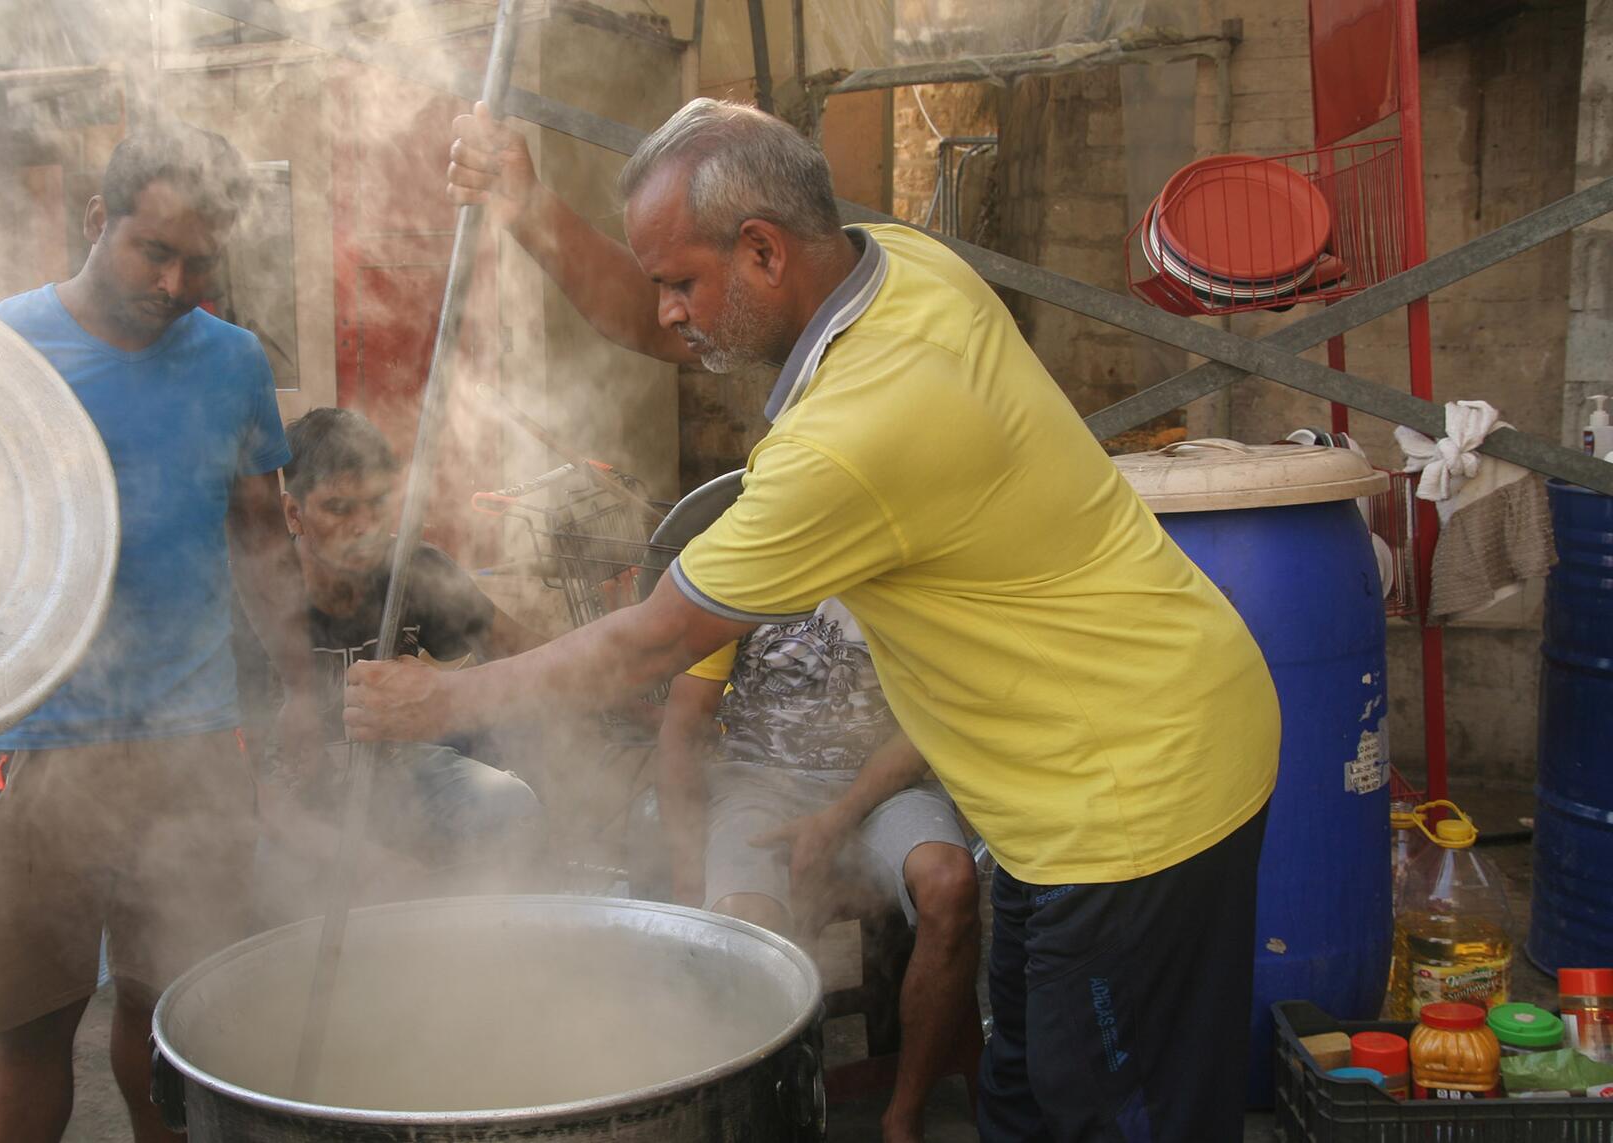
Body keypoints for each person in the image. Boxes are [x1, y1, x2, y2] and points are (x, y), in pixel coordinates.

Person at [345, 98, 1281, 1141]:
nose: (666, 312)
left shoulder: (849, 438)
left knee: (1114, 1120)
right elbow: (673, 329)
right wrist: (528, 211)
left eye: (679, 283)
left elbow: (650, 641)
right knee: (1025, 1099)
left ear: (759, 251)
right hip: (1067, 785)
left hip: (1133, 797)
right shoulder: (892, 264)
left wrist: (447, 697)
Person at [0, 123, 324, 1143]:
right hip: (37, 739)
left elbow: (259, 535)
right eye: (150, 251)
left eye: (198, 263)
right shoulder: (0, 350)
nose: (173, 282)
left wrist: (298, 691)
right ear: (94, 221)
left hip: (194, 734)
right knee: (30, 1026)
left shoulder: (232, 360)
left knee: (173, 1015)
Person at [655, 597, 981, 1141]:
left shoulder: (907, 571)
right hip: (755, 783)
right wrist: (688, 874)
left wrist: (840, 816)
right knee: (741, 922)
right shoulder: (742, 575)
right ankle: (774, 1114)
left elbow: (927, 726)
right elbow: (683, 726)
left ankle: (904, 1113)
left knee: (950, 885)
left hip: (886, 786)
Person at [271, 405, 547, 874]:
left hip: (397, 767)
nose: (365, 526)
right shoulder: (255, 597)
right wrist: (374, 866)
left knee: (512, 806)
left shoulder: (416, 570)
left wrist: (635, 696)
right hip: (288, 795)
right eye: (338, 508)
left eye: (377, 503)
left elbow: (524, 650)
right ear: (294, 513)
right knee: (269, 874)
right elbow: (244, 795)